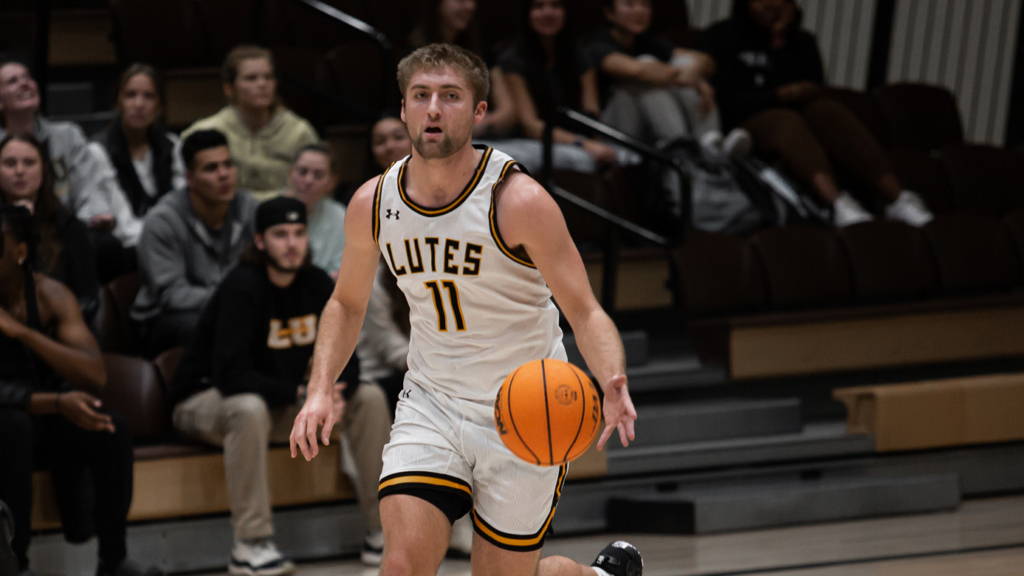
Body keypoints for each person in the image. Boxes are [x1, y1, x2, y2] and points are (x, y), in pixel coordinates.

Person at [289, 44, 642, 576]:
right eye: (421, 96)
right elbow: (346, 302)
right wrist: (319, 389)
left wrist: (611, 376)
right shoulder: (373, 203)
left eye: (450, 96)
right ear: (403, 108)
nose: (433, 109)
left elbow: (585, 309)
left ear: (479, 112)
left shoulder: (517, 200)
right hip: (433, 402)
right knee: (402, 567)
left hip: (526, 404)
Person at [167, 197, 392, 574]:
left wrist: (336, 390)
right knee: (247, 407)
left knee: (367, 396)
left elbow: (346, 355)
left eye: (298, 233)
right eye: (280, 235)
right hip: (205, 399)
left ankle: (381, 531)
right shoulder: (242, 287)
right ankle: (251, 544)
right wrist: (302, 395)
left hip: (278, 399)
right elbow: (231, 374)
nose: (291, 243)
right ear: (259, 241)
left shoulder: (316, 282)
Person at [0, 205, 162, 576]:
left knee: (109, 427)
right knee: (12, 427)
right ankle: (15, 565)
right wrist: (54, 402)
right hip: (13, 421)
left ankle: (114, 559)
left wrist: (24, 333)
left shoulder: (50, 295)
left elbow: (94, 374)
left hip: (42, 415)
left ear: (20, 252)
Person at [702, 0, 933, 227]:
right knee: (785, 120)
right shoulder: (721, 36)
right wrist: (778, 95)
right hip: (747, 123)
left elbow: (814, 86)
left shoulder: (801, 42)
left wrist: (779, 42)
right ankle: (836, 203)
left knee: (827, 110)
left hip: (800, 115)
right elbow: (725, 99)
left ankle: (897, 199)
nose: (772, 6)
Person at [131, 129, 258, 358]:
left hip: (232, 307)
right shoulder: (163, 221)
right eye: (211, 168)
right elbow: (172, 294)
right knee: (208, 323)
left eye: (228, 165)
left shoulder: (247, 208)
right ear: (189, 178)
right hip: (166, 320)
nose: (224, 175)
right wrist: (234, 298)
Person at [585, 0, 749, 155]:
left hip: (647, 128)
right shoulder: (597, 43)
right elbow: (637, 70)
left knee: (684, 62)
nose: (639, 11)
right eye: (630, 4)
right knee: (647, 65)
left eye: (645, 4)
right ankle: (682, 148)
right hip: (613, 128)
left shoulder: (646, 41)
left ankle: (712, 145)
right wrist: (696, 82)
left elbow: (706, 61)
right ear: (609, 13)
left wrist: (693, 72)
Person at [0, 61, 136, 245]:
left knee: (107, 245)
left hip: (67, 229)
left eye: (27, 77)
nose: (25, 83)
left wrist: (94, 216)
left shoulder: (67, 135)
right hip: (9, 231)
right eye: (12, 81)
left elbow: (89, 188)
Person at [497, 0, 622, 173]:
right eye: (538, 6)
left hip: (577, 135)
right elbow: (530, 125)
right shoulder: (513, 60)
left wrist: (594, 142)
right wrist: (583, 143)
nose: (548, 13)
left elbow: (591, 114)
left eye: (555, 5)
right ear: (527, 15)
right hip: (535, 140)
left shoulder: (581, 56)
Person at [181, 46, 318, 202]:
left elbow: (317, 187)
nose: (262, 84)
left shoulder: (299, 132)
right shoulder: (205, 131)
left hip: (285, 217)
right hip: (225, 217)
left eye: (268, 77)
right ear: (229, 88)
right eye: (251, 78)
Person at [91, 63, 187, 281]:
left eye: (148, 96)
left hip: (173, 240)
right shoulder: (98, 151)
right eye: (130, 95)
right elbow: (124, 225)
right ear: (118, 103)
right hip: (131, 249)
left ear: (160, 106)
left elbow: (183, 206)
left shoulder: (173, 145)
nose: (138, 104)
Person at [0, 134, 99, 319]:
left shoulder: (68, 225)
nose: (19, 171)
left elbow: (88, 298)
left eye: (29, 163)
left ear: (44, 170)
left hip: (59, 330)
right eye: (10, 163)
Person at [284, 144, 346, 277]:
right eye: (302, 171)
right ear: (290, 173)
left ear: (332, 182)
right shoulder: (270, 211)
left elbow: (339, 271)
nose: (308, 180)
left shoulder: (340, 216)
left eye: (318, 175)